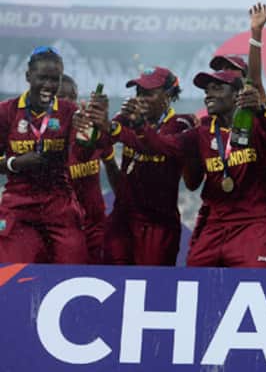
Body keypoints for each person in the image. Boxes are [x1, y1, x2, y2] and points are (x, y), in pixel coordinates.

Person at [93, 70, 266, 267]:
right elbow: (161, 144)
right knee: (193, 278)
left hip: (252, 223)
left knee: (252, 282)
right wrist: (120, 125)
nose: (209, 94)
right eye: (207, 90)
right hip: (214, 227)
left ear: (238, 94)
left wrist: (263, 110)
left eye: (217, 88)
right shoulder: (200, 133)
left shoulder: (255, 123)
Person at [0, 47, 88, 263]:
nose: (49, 85)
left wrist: (88, 135)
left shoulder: (70, 111)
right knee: (12, 269)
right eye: (42, 78)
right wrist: (15, 163)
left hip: (59, 202)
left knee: (74, 268)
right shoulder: (7, 111)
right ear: (28, 76)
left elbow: (83, 155)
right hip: (18, 203)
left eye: (54, 79)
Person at [104, 66, 197, 266]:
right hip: (122, 220)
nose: (141, 98)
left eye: (148, 93)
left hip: (158, 224)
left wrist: (124, 128)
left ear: (169, 94)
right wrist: (96, 122)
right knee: (113, 283)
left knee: (152, 288)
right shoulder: (126, 119)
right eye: (139, 93)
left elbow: (156, 145)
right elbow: (98, 143)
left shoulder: (183, 123)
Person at [57, 75, 120, 264]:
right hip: (62, 227)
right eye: (62, 97)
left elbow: (111, 166)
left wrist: (125, 204)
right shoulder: (48, 137)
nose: (69, 103)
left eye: (72, 97)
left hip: (95, 225)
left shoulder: (91, 131)